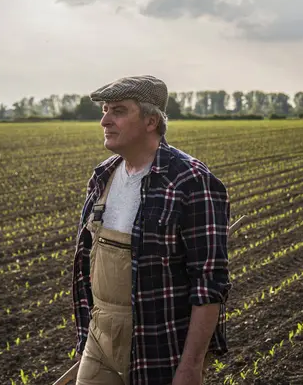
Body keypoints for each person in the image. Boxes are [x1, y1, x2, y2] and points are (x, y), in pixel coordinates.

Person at [72, 75, 231, 385]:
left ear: (151, 121)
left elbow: (208, 285)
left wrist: (191, 367)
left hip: (158, 343)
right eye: (104, 110)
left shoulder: (190, 181)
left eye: (118, 110)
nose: (105, 120)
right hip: (99, 338)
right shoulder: (103, 176)